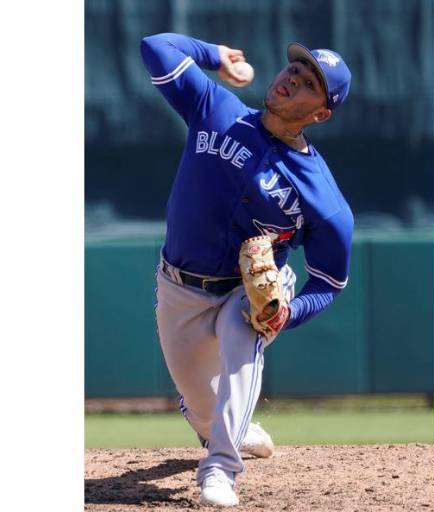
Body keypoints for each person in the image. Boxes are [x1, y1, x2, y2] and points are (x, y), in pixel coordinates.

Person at [140, 32, 354, 507]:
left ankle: (220, 468)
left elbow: (330, 282)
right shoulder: (217, 108)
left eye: (309, 84)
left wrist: (288, 313)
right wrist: (215, 55)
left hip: (249, 289)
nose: (291, 80)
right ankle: (227, 425)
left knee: (245, 324)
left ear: (321, 114)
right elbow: (155, 47)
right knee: (201, 408)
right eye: (294, 71)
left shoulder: (324, 200)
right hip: (180, 287)